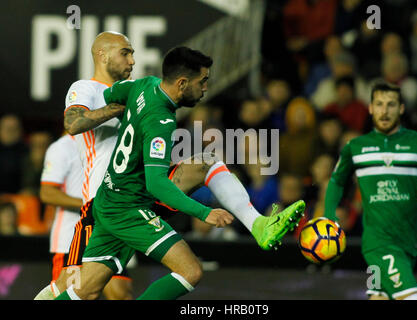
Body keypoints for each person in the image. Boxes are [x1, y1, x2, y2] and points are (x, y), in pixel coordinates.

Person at [55, 46, 305, 300]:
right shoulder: (160, 121)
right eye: (203, 81)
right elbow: (156, 185)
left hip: (109, 199)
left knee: (85, 290)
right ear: (183, 83)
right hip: (129, 209)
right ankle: (259, 226)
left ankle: (258, 225)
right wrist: (204, 212)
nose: (206, 88)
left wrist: (133, 112)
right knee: (191, 271)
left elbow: (112, 93)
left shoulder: (144, 85)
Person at [34, 31, 136, 300]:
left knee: (119, 293)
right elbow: (73, 124)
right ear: (102, 55)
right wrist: (118, 107)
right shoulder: (85, 89)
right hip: (88, 214)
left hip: (124, 205)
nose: (132, 60)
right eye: (126, 52)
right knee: (72, 290)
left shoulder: (132, 93)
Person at [324, 81, 417, 300]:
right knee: (411, 297)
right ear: (370, 108)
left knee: (379, 298)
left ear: (401, 109)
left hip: (408, 240)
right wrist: (330, 216)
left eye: (391, 105)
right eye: (379, 104)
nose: (384, 111)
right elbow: (336, 182)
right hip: (378, 242)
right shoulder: (355, 147)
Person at [39, 133, 84, 286]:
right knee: (68, 294)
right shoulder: (62, 147)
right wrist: (90, 205)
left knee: (121, 293)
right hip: (70, 239)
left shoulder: (105, 143)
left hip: (103, 236)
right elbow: (47, 193)